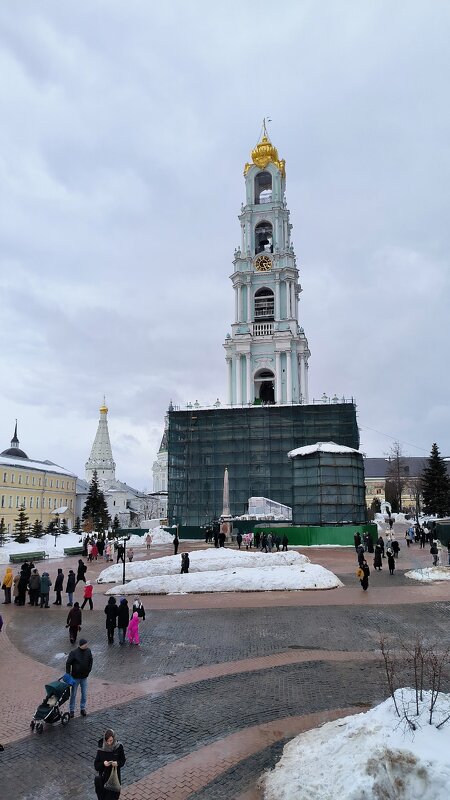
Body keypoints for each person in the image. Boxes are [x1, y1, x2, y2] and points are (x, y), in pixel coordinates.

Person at [94, 728, 126, 800]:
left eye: (111, 740)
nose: (109, 743)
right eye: (107, 741)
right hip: (104, 780)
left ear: (114, 738)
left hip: (114, 779)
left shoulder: (119, 747)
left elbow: (123, 760)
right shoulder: (101, 749)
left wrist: (117, 763)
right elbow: (96, 766)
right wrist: (103, 763)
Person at [66, 637, 93, 717]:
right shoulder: (74, 653)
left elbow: (91, 660)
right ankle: (72, 710)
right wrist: (68, 674)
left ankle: (82, 708)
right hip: (75, 677)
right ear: (81, 645)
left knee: (84, 694)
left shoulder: (88, 651)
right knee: (73, 694)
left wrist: (89, 670)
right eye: (85, 644)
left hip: (84, 677)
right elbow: (68, 663)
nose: (87, 645)